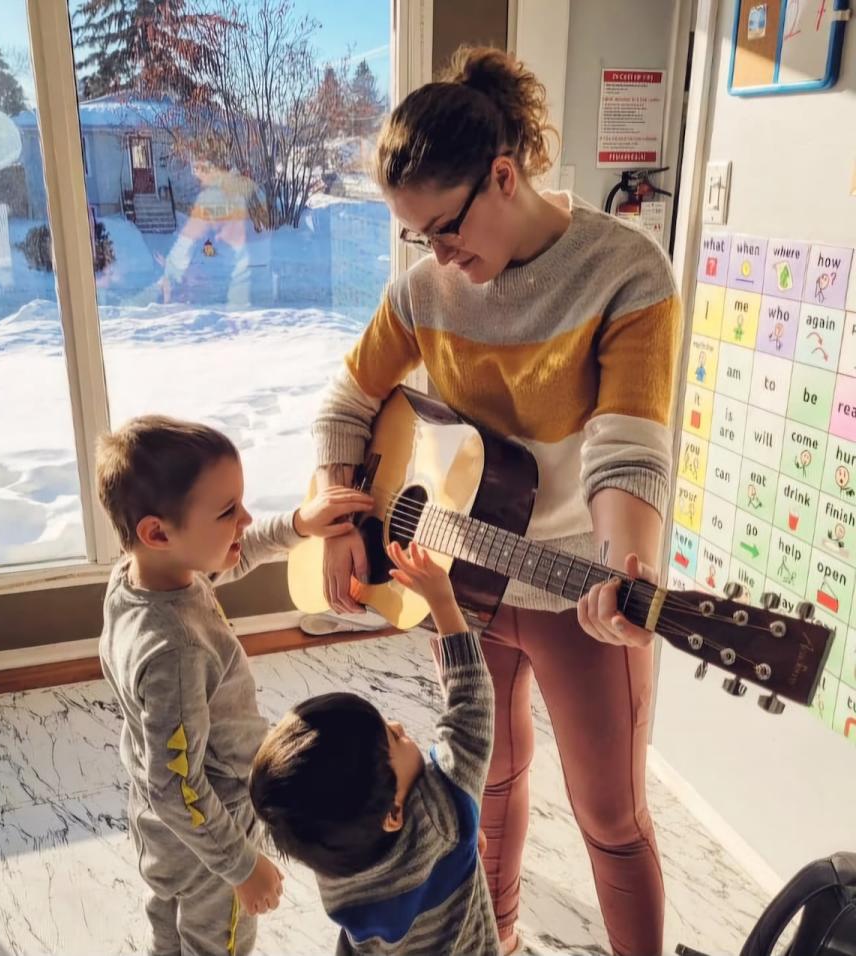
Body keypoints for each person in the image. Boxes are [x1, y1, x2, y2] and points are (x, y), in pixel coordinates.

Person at [310, 46, 681, 956]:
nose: (437, 257)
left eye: (443, 229)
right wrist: (336, 508)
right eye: (418, 238)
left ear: (503, 176)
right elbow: (348, 400)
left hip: (573, 591)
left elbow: (627, 450)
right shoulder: (424, 289)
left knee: (611, 816)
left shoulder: (626, 272)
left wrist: (621, 565)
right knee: (491, 779)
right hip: (463, 586)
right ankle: (498, 940)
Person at [95, 415, 372, 956]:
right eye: (228, 511)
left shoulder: (143, 573)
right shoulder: (176, 648)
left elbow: (235, 554)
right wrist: (243, 867)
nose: (245, 518)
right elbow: (177, 785)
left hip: (159, 833)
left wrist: (298, 523)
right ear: (158, 532)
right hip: (211, 839)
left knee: (169, 934)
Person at [249, 541, 498, 955]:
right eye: (395, 738)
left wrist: (464, 840)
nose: (401, 726)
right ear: (394, 813)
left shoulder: (330, 849)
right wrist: (442, 601)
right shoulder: (445, 813)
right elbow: (472, 703)